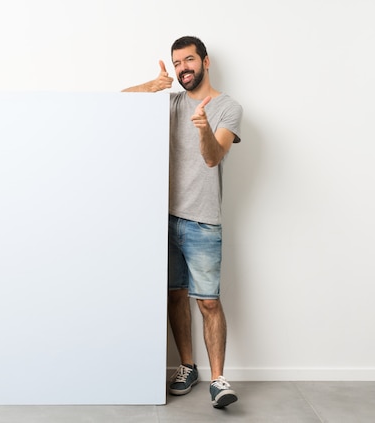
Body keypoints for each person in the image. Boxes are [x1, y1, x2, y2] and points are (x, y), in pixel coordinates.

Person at [123, 36, 243, 409]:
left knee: (208, 302)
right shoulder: (170, 103)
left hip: (203, 221)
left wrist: (204, 128)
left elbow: (213, 157)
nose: (182, 69)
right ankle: (187, 366)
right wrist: (150, 87)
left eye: (189, 60)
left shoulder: (227, 107)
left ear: (206, 62)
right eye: (177, 64)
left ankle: (219, 380)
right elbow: (112, 108)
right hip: (162, 219)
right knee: (174, 295)